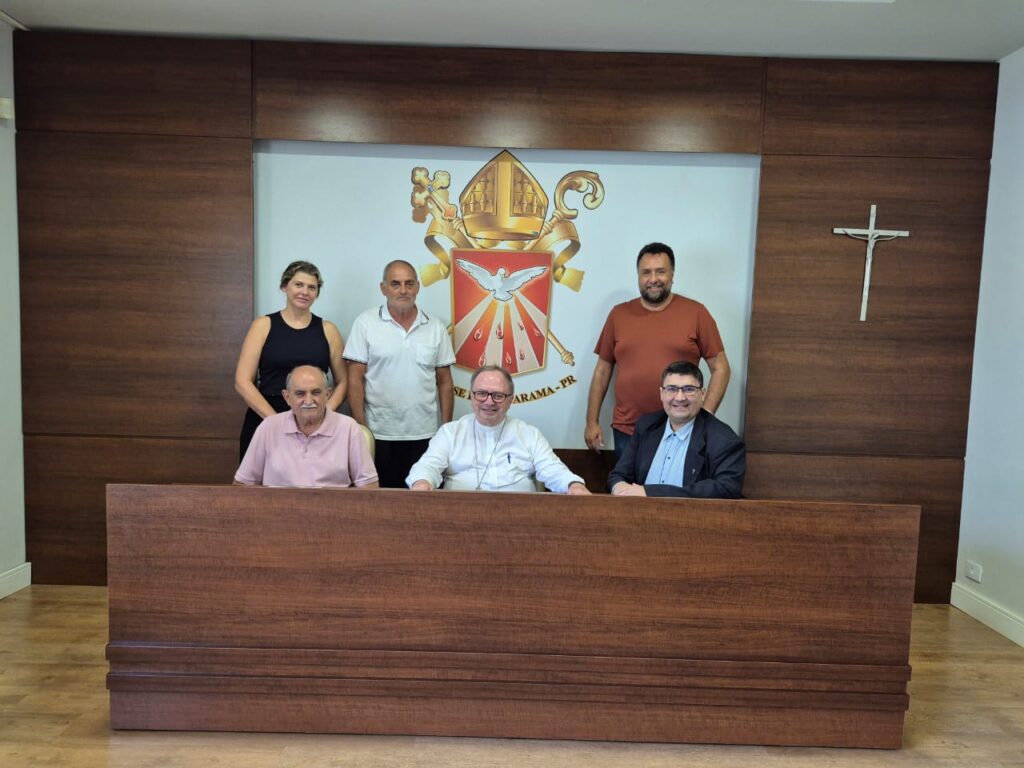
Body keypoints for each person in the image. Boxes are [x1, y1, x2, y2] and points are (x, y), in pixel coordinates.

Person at [585, 242, 731, 456]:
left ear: (672, 275)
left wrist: (704, 416)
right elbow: (602, 371)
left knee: (677, 480)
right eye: (646, 272)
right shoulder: (618, 314)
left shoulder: (696, 313)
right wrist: (591, 421)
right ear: (638, 276)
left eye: (660, 271)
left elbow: (721, 368)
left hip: (681, 430)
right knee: (626, 480)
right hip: (628, 430)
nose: (653, 279)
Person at [345, 260, 455, 488]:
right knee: (382, 500)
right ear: (383, 288)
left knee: (422, 500)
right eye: (395, 284)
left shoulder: (435, 327)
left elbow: (444, 381)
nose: (403, 290)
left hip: (425, 434)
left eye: (409, 283)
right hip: (379, 434)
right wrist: (361, 427)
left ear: (418, 287)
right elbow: (354, 378)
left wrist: (446, 429)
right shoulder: (365, 323)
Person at [407, 365, 590, 495]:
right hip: (460, 515)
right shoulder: (450, 432)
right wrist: (422, 483)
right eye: (481, 393)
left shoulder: (529, 434)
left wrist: (574, 485)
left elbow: (553, 469)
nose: (489, 401)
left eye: (498, 395)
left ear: (510, 400)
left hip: (520, 517)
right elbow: (427, 466)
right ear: (471, 396)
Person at [234, 260, 347, 461]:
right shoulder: (263, 325)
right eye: (298, 285)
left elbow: (344, 381)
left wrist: (322, 414)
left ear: (317, 293)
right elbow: (242, 381)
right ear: (285, 286)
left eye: (312, 287)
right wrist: (276, 422)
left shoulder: (328, 330)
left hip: (313, 422)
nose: (305, 292)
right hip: (266, 418)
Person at [608, 360, 744, 499]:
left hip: (691, 513)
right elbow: (619, 474)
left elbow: (727, 488)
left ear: (703, 394)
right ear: (662, 393)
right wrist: (619, 487)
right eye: (672, 389)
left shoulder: (724, 440)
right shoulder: (646, 425)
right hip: (640, 511)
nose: (680, 397)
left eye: (689, 389)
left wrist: (650, 492)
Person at [234, 365, 378, 488]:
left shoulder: (348, 428)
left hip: (332, 510)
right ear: (287, 397)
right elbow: (243, 485)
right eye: (300, 394)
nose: (308, 401)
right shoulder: (268, 427)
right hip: (278, 510)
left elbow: (369, 487)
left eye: (316, 392)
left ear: (327, 394)